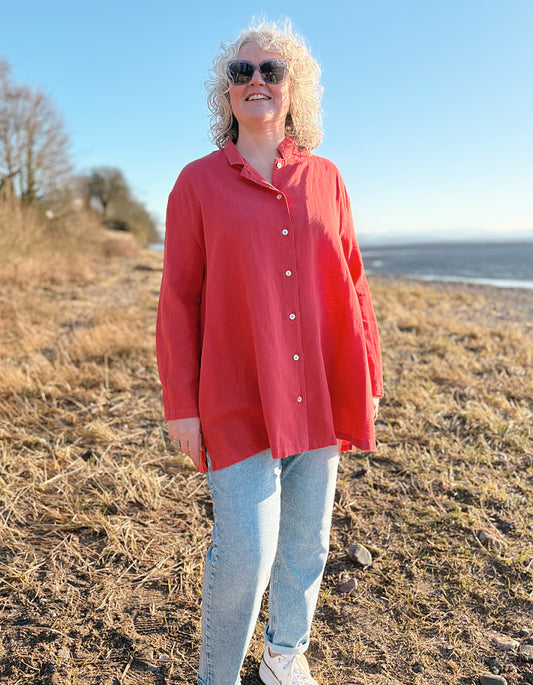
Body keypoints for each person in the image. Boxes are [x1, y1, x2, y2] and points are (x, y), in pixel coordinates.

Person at [156, 20, 383, 685]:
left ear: (292, 91)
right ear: (225, 94)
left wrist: (366, 372)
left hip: (318, 385)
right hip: (233, 395)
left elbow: (354, 278)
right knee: (245, 552)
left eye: (271, 71)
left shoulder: (328, 178)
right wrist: (181, 405)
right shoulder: (195, 184)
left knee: (306, 541)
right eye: (241, 72)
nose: (256, 80)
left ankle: (285, 656)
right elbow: (178, 303)